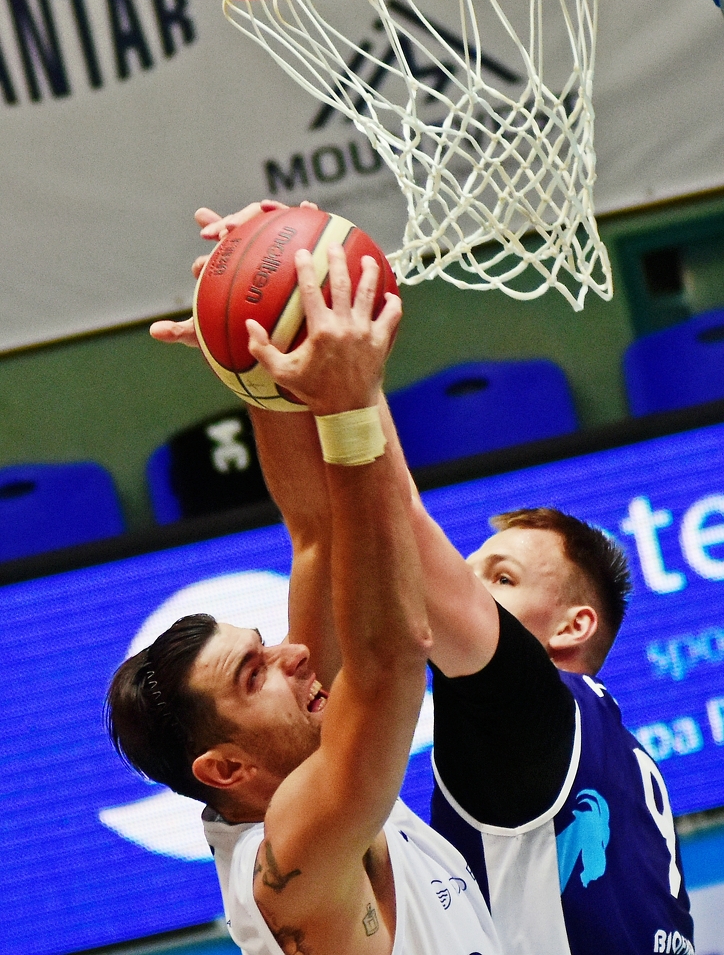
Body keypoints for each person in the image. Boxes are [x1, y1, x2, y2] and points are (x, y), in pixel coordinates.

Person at [152, 201, 695, 955]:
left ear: (573, 626)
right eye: (469, 569)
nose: (456, 586)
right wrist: (273, 363)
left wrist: (302, 360)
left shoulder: (527, 719)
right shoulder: (324, 811)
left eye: (498, 578)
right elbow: (332, 547)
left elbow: (375, 532)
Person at [107, 241, 503, 955]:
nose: (293, 655)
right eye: (253, 674)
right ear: (226, 769)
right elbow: (390, 656)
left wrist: (254, 348)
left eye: (263, 648)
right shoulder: (291, 853)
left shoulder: (304, 760)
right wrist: (348, 408)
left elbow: (317, 535)